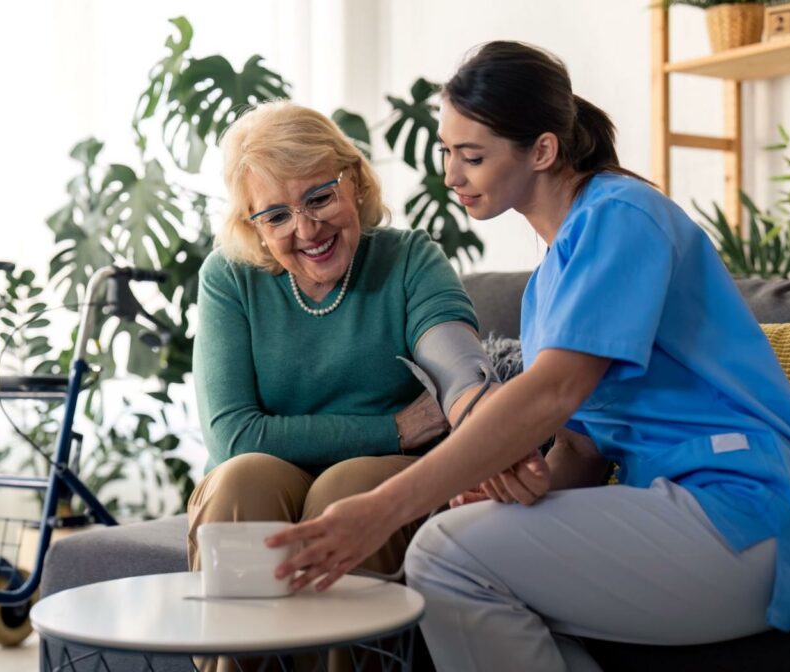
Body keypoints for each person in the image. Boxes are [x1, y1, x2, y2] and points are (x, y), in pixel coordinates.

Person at [267, 41, 790, 672]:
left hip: (755, 511)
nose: (451, 176)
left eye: (472, 156)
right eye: (445, 152)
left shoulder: (620, 215)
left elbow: (551, 393)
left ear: (542, 150)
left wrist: (382, 509)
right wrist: (519, 491)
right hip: (683, 506)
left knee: (444, 554)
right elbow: (580, 449)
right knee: (468, 548)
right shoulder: (552, 279)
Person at [188, 100, 534, 584]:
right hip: (269, 473)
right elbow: (234, 437)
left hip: (375, 476)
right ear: (253, 226)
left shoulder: (410, 259)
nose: (307, 230)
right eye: (276, 216)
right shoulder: (229, 278)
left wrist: (489, 425)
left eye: (319, 198)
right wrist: (393, 428)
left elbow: (457, 367)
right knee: (244, 477)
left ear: (353, 179)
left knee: (348, 487)